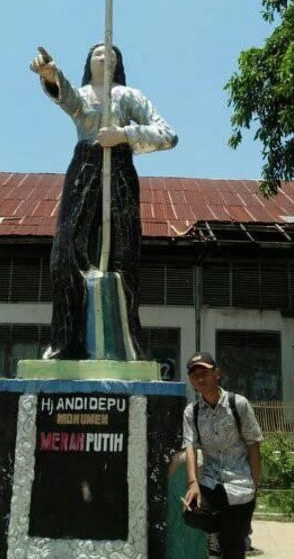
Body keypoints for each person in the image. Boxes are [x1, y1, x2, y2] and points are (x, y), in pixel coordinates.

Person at [30, 43, 177, 360]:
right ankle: (65, 344)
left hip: (121, 168)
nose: (104, 56)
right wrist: (51, 75)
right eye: (98, 53)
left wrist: (123, 134)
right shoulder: (82, 95)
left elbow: (168, 134)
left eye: (111, 54)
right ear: (88, 61)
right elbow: (67, 98)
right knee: (66, 253)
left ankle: (127, 346)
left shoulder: (130, 96)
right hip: (84, 167)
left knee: (125, 254)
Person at [182, 352, 263, 559]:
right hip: (211, 483)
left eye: (205, 373)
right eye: (194, 375)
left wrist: (255, 484)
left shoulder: (238, 404)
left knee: (233, 551)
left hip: (240, 485)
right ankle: (216, 532)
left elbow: (254, 445)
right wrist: (193, 483)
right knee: (191, 513)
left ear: (217, 373)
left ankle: (227, 536)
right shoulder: (192, 412)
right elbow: (190, 446)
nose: (200, 378)